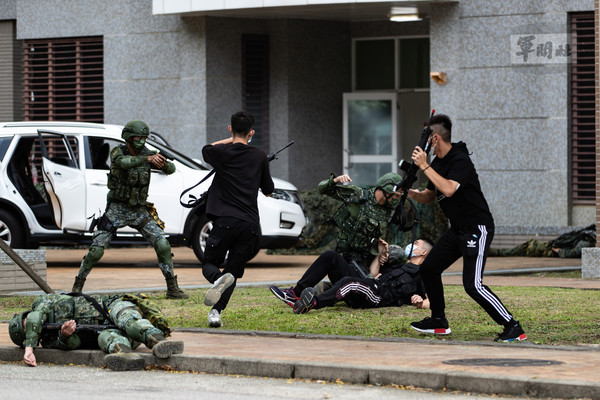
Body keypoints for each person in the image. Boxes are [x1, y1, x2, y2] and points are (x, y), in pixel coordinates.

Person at [407, 113, 526, 342]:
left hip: (477, 227)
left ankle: (513, 326)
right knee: (429, 268)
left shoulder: (459, 159)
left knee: (472, 285)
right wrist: (409, 193)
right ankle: (438, 321)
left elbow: (449, 189)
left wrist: (424, 166)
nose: (423, 143)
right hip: (458, 229)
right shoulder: (438, 163)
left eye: (426, 137)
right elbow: (431, 195)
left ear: (436, 139)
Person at [70, 120, 188, 299]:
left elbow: (171, 169)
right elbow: (123, 163)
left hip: (139, 211)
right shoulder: (118, 152)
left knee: (162, 244)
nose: (141, 141)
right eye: (137, 137)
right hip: (117, 209)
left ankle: (172, 288)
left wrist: (161, 163)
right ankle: (77, 287)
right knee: (96, 250)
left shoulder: (149, 154)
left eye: (144, 137)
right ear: (129, 138)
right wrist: (147, 159)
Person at [201, 111, 274, 328]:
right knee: (232, 273)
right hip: (249, 225)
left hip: (224, 221)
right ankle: (216, 312)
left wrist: (231, 140)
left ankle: (216, 280)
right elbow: (268, 190)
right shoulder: (259, 156)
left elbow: (207, 149)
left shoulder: (222, 153)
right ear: (252, 132)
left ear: (230, 128)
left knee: (210, 264)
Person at [8, 293, 184, 371]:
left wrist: (29, 349)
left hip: (111, 307)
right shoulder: (49, 340)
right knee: (107, 338)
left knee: (128, 321)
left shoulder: (42, 304)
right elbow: (74, 344)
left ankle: (159, 342)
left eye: (25, 323)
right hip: (107, 332)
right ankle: (126, 356)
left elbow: (35, 318)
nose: (30, 327)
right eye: (26, 331)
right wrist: (65, 335)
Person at [271, 238, 432, 313]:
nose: (412, 244)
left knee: (349, 282)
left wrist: (420, 302)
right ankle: (295, 294)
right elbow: (374, 273)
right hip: (370, 285)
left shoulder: (423, 274)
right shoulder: (400, 265)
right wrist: (380, 254)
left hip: (379, 296)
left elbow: (430, 301)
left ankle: (312, 303)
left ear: (423, 252)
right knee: (330, 256)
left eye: (416, 243)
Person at [492, 224, 595, 258]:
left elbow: (573, 253)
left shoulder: (587, 241)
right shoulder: (585, 235)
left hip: (553, 252)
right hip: (552, 246)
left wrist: (558, 250)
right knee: (529, 245)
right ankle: (497, 252)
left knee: (529, 247)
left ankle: (497, 252)